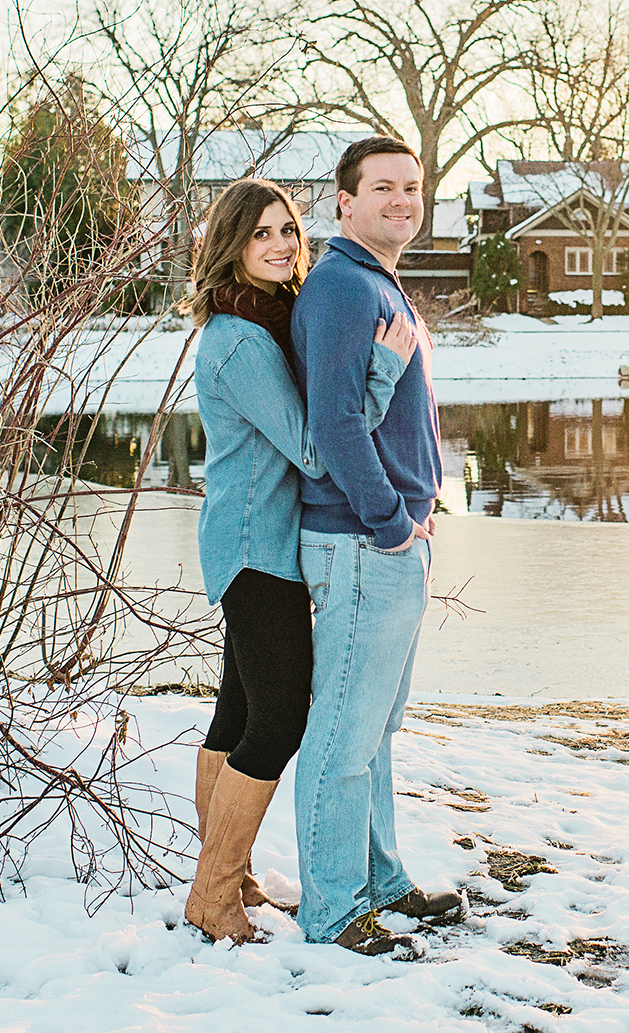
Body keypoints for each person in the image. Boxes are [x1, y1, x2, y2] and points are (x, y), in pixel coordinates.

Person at [183, 176, 417, 944]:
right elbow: (317, 451)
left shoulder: (266, 317)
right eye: (262, 235)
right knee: (279, 718)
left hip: (253, 541)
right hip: (259, 550)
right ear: (232, 248)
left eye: (288, 228)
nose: (282, 244)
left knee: (239, 712)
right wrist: (379, 373)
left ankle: (232, 875)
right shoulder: (240, 340)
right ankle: (212, 893)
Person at [291, 135, 461, 956]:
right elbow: (333, 424)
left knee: (377, 729)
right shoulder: (338, 289)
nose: (402, 199)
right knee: (342, 735)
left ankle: (380, 880)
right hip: (364, 543)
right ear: (344, 201)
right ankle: (330, 910)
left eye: (412, 186)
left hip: (395, 539)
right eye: (383, 187)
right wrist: (392, 520)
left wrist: (421, 508)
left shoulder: (377, 281)